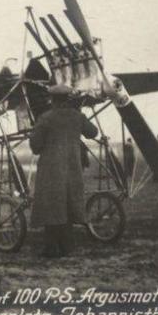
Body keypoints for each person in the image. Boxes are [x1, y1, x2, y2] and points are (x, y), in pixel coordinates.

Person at [29, 86, 99, 258]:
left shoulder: (45, 118)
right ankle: (68, 246)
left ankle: (51, 247)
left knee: (51, 205)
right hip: (73, 167)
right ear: (68, 98)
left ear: (52, 100)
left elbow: (35, 147)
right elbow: (93, 132)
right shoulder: (77, 117)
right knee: (68, 204)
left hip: (51, 169)